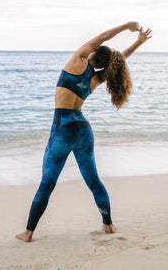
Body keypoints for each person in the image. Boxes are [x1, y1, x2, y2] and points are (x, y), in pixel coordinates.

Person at [16, 21, 152, 242]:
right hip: (83, 130)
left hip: (63, 130)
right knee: (93, 180)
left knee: (47, 184)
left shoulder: (77, 60)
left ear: (94, 51)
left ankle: (28, 232)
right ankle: (108, 225)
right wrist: (137, 42)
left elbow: (104, 35)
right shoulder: (95, 78)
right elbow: (120, 60)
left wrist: (127, 26)